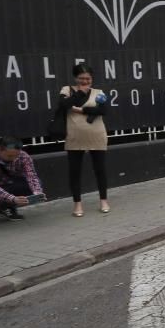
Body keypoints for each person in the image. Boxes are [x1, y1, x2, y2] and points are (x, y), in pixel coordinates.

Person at [60, 64, 110, 217]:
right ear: (75, 78)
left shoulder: (99, 92)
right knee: (75, 171)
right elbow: (63, 105)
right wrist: (78, 94)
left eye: (88, 78)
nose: (85, 81)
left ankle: (103, 200)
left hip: (96, 135)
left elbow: (103, 110)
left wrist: (80, 110)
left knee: (100, 170)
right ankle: (77, 204)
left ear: (92, 78)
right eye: (81, 78)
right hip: (74, 136)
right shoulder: (66, 90)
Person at [0, 136, 44, 221]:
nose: (14, 158)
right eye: (9, 156)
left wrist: (38, 193)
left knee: (33, 185)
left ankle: (5, 208)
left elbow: (32, 176)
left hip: (8, 184)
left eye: (16, 155)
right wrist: (13, 199)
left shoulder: (23, 156)